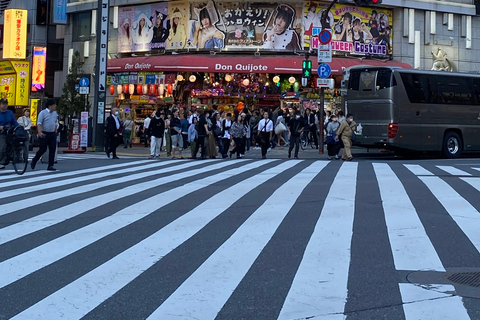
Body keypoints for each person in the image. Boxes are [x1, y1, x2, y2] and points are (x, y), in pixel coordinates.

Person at [31, 99, 59, 170]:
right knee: (43, 149)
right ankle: (34, 160)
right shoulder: (42, 113)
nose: (55, 106)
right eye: (54, 105)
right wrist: (39, 132)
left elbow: (55, 122)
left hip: (52, 133)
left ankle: (50, 165)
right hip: (44, 133)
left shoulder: (55, 113)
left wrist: (55, 129)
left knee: (52, 149)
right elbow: (39, 123)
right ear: (50, 106)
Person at [0, 98, 20, 169]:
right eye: (3, 104)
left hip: (10, 131)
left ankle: (12, 157)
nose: (5, 105)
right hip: (1, 132)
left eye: (6, 104)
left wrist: (19, 126)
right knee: (2, 146)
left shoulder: (10, 113)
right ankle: (1, 162)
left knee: (15, 142)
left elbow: (14, 121)